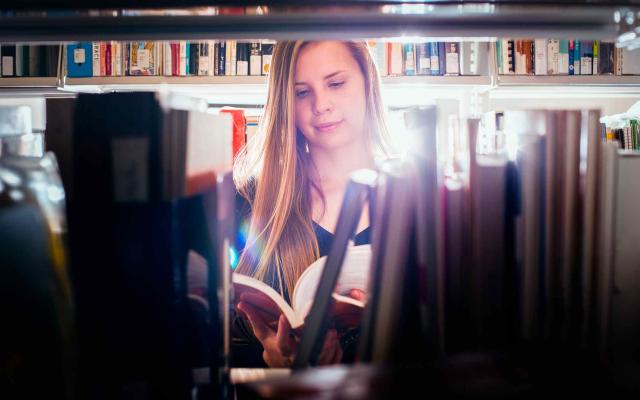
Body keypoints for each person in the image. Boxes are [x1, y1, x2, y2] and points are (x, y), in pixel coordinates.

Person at [231, 40, 393, 368]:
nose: (321, 105)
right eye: (302, 92)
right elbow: (226, 342)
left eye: (336, 83)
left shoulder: (421, 197)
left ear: (368, 83)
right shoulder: (252, 201)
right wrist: (276, 362)